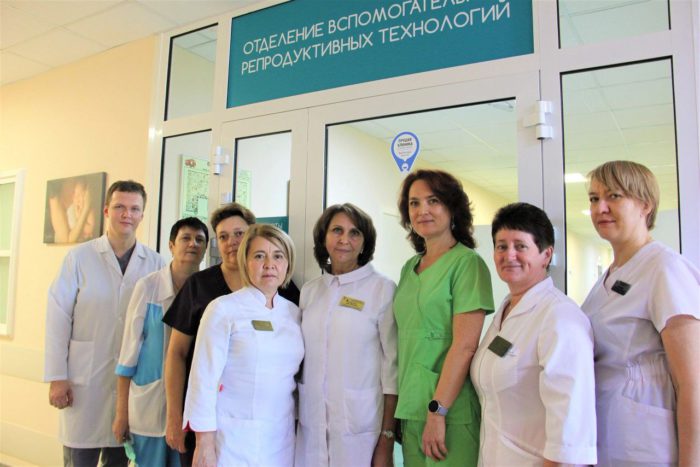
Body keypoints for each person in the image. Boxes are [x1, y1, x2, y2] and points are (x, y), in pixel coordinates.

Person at [162, 203, 299, 466]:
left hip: (280, 436)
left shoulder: (293, 311)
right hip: (231, 436)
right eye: (259, 256)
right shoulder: (221, 308)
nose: (269, 264)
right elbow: (201, 376)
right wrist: (202, 440)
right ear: (247, 260)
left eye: (278, 256)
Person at [582, 160, 700, 466]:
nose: (600, 208)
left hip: (646, 444)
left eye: (614, 196)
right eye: (594, 198)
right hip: (608, 437)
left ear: (645, 205)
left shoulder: (664, 268)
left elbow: (692, 383)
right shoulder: (609, 276)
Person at [45, 180, 165, 467]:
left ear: (142, 214)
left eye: (134, 209)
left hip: (131, 387)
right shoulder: (79, 257)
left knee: (119, 459)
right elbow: (58, 317)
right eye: (120, 207)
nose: (127, 214)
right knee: (79, 458)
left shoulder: (156, 263)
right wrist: (57, 377)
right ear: (106, 210)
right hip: (82, 382)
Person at [470, 202, 597, 466]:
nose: (509, 255)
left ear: (546, 255)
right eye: (501, 246)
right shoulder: (506, 311)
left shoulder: (560, 317)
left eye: (520, 246)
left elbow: (570, 424)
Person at [393, 169, 494, 467]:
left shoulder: (467, 264)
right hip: (412, 409)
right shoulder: (409, 268)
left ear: (452, 208)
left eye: (433, 201)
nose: (422, 210)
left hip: (449, 412)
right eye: (414, 203)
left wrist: (438, 411)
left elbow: (465, 346)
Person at [295, 203, 398, 467]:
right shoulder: (310, 291)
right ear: (324, 238)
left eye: (355, 233)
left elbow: (392, 369)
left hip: (361, 427)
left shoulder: (382, 289)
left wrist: (387, 437)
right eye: (337, 230)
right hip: (311, 426)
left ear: (364, 243)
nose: (344, 240)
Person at [112, 217, 209, 467]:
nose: (193, 244)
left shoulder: (208, 291)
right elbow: (127, 355)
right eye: (186, 238)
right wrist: (121, 413)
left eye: (199, 240)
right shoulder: (148, 287)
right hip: (150, 402)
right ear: (171, 245)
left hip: (191, 403)